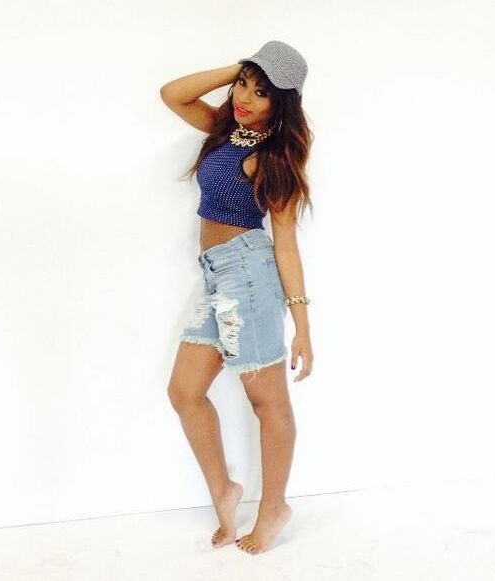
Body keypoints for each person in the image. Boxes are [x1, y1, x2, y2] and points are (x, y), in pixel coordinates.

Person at [161, 40, 314, 555]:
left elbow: (285, 243)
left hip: (248, 277)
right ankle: (224, 490)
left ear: (282, 102)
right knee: (185, 392)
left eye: (261, 91)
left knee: (268, 401)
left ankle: (274, 508)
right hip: (215, 277)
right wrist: (242, 66)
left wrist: (303, 326)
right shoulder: (226, 130)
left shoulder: (274, 158)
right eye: (243, 85)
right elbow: (173, 94)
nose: (245, 97)